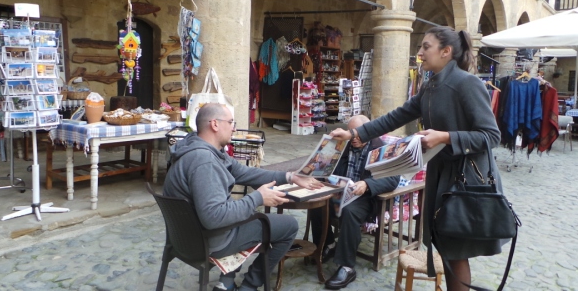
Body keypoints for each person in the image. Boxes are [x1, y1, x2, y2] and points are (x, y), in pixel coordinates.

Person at [330, 27, 504, 291]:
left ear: (446, 52)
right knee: (444, 243)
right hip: (440, 175)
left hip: (464, 179)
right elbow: (396, 117)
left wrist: (445, 137)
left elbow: (491, 136)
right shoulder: (430, 86)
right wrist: (354, 132)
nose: (420, 52)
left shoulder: (467, 84)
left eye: (426, 47)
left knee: (456, 249)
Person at [163, 103, 321, 291]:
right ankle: (249, 286)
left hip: (184, 238)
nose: (234, 127)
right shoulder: (204, 161)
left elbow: (245, 173)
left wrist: (289, 177)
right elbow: (214, 217)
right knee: (289, 226)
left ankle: (226, 283)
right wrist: (258, 198)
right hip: (208, 242)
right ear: (215, 124)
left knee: (242, 212)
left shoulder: (197, 148)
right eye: (231, 122)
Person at [308, 115, 400, 290]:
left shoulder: (383, 148)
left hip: (368, 197)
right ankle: (327, 244)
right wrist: (328, 147)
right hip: (341, 192)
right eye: (351, 133)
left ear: (369, 131)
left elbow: (393, 179)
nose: (354, 138)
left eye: (358, 134)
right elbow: (322, 168)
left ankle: (346, 266)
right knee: (316, 201)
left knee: (350, 211)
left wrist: (367, 184)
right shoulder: (344, 144)